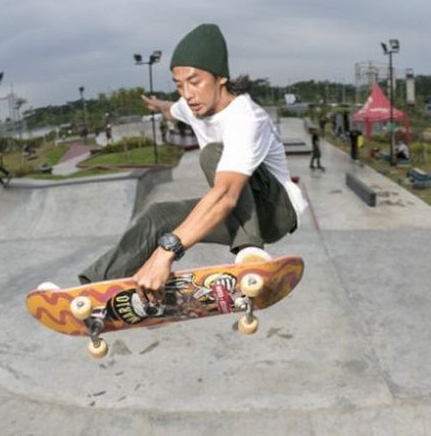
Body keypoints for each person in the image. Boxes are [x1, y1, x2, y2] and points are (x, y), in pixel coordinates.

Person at [78, 23, 308, 305]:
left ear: (221, 77)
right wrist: (158, 104)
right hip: (240, 210)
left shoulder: (246, 117)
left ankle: (250, 252)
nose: (187, 94)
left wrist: (164, 254)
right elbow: (171, 109)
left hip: (277, 212)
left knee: (212, 153)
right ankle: (93, 292)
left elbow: (225, 194)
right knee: (158, 216)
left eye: (194, 81)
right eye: (179, 85)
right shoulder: (190, 105)